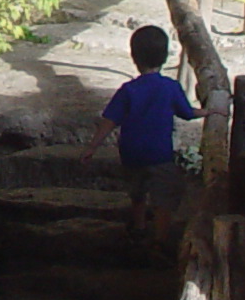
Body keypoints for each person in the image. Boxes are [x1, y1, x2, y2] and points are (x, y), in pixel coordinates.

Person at [80, 21, 199, 246]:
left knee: (137, 192)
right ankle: (160, 239)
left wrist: (92, 147)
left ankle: (139, 226)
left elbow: (109, 121)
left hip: (131, 153)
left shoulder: (128, 90)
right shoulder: (170, 87)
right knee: (163, 197)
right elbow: (187, 113)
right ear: (165, 57)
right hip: (159, 154)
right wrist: (210, 111)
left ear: (134, 57)